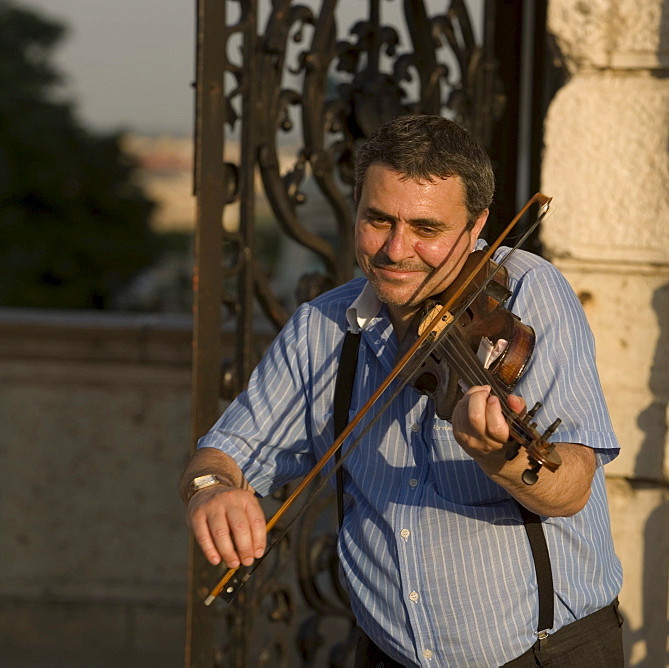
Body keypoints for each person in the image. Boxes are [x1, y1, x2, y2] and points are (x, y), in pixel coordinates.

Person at [181, 115, 623, 666]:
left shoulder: (528, 295)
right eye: (378, 220)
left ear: (477, 224)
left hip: (541, 655)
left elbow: (573, 485)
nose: (395, 249)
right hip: (386, 655)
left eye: (427, 229)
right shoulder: (322, 327)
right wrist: (211, 487)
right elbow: (223, 453)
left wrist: (502, 459)